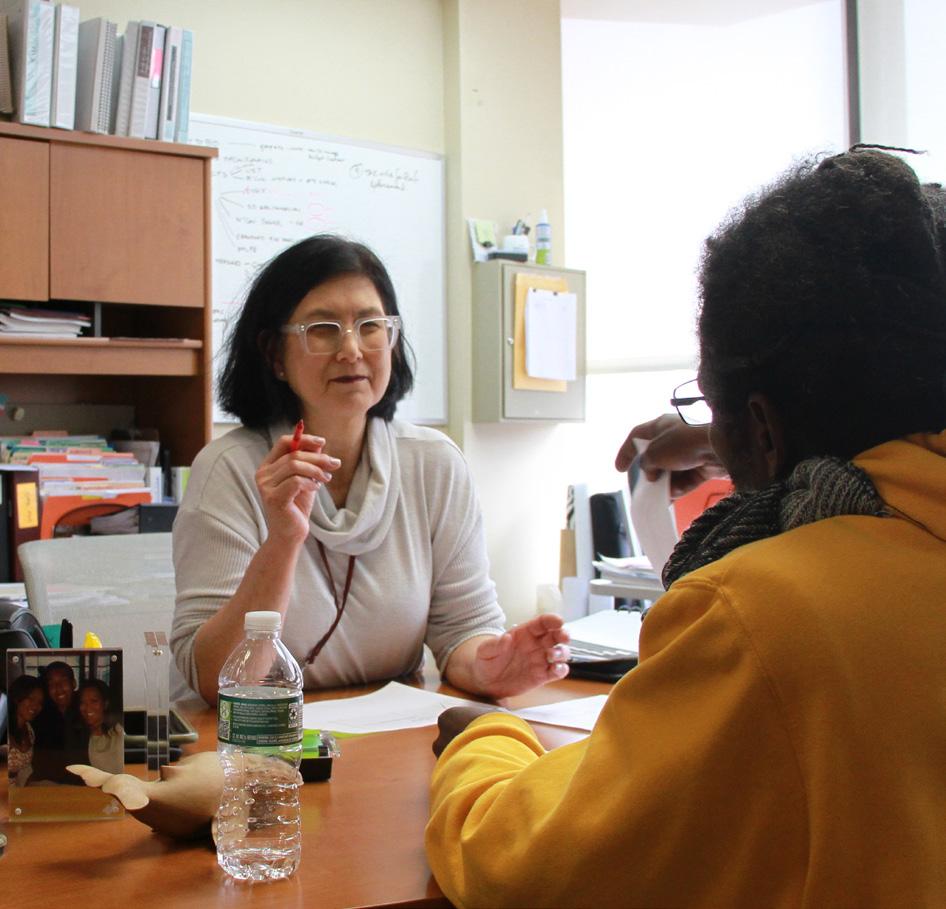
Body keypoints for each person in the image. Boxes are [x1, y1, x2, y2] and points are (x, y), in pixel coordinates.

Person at [425, 148, 946, 906]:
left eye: (710, 404)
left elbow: (525, 872)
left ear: (763, 426)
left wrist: (484, 740)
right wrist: (726, 435)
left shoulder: (763, 613)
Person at [171, 234, 570, 705]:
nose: (351, 349)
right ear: (275, 355)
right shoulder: (228, 470)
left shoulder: (434, 463)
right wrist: (282, 541)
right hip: (257, 736)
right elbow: (217, 680)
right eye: (323, 328)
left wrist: (492, 666)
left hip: (393, 736)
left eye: (370, 326)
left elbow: (463, 630)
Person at [31, 660, 87, 785]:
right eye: (52, 684)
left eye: (63, 681)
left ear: (74, 683)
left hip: (85, 782)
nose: (58, 687)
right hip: (50, 783)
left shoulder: (85, 710)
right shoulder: (41, 715)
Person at [76, 679, 124, 774]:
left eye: (94, 701)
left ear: (105, 704)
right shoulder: (82, 735)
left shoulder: (118, 733)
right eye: (83, 702)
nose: (87, 707)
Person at [7, 675, 44, 787]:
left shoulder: (29, 730)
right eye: (31, 699)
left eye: (40, 702)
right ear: (17, 698)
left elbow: (26, 770)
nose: (35, 706)